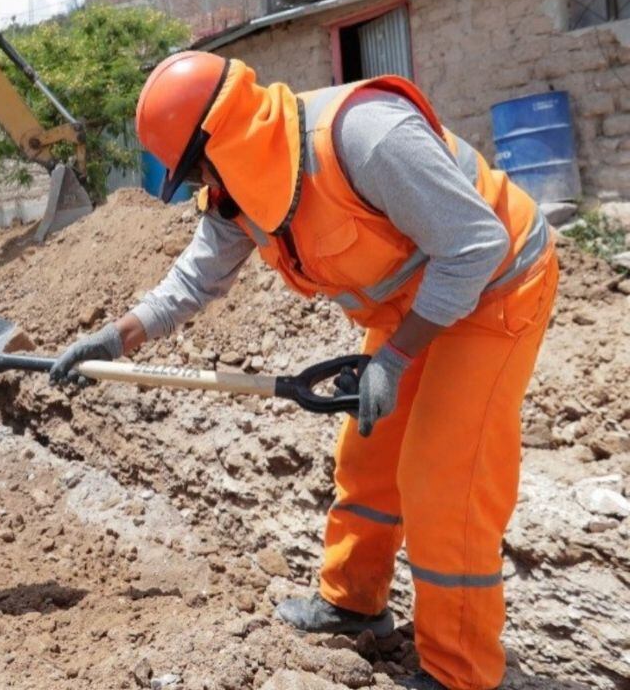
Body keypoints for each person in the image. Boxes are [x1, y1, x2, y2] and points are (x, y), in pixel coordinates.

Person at [50, 53, 558, 690]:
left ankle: (459, 672)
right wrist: (115, 338)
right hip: (417, 303)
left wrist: (395, 357)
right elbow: (194, 280)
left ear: (222, 139)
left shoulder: (366, 136)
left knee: (443, 480)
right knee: (369, 456)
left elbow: (475, 246)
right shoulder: (242, 192)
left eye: (198, 168)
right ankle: (354, 603)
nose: (203, 184)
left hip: (495, 286)